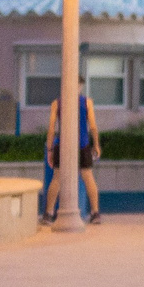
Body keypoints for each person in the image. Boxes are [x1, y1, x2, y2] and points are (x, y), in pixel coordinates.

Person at [43, 86, 103, 225]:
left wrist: (50, 149)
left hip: (63, 143)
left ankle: (48, 213)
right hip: (82, 143)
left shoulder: (56, 103)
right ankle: (95, 213)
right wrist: (96, 144)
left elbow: (52, 128)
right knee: (88, 176)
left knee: (57, 178)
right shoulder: (87, 102)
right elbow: (93, 126)